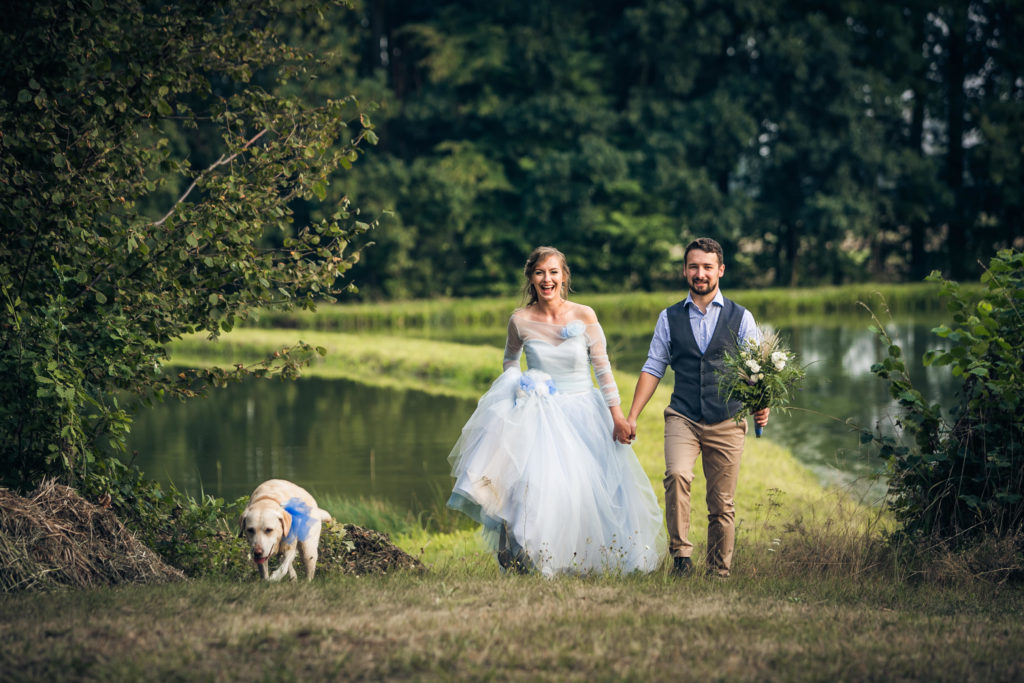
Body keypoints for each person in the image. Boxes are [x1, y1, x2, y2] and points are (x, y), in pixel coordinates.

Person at [447, 246, 666, 576]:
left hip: (583, 411)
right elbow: (509, 362)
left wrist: (618, 416)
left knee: (581, 489)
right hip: (539, 412)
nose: (546, 279)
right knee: (533, 485)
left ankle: (580, 558)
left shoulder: (585, 315)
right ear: (531, 278)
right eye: (539, 273)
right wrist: (519, 386)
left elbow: (603, 369)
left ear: (564, 276)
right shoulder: (519, 320)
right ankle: (528, 555)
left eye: (553, 272)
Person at [624, 237, 769, 578]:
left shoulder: (742, 317)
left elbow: (758, 370)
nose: (700, 273)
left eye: (707, 267)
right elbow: (653, 366)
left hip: (726, 417)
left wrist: (763, 405)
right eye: (693, 267)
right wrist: (631, 416)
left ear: (720, 270)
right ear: (685, 270)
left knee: (722, 503)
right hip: (683, 414)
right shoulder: (669, 317)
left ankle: (718, 571)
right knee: (677, 474)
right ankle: (681, 558)